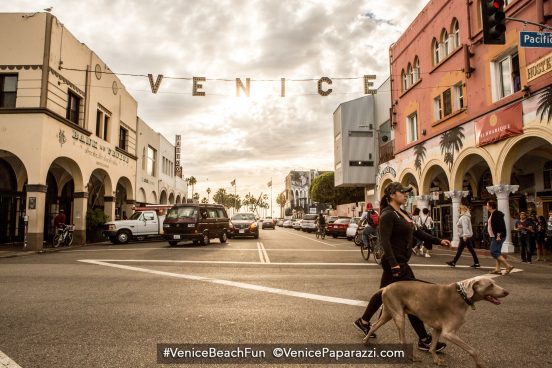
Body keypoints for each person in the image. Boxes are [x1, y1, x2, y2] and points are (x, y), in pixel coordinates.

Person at [353, 182, 451, 352]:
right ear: (392, 195)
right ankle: (424, 339)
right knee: (410, 298)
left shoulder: (403, 213)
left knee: (382, 293)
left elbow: (418, 232)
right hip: (395, 263)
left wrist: (438, 241)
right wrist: (394, 264)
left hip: (401, 262)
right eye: (402, 192)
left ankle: (363, 321)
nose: (406, 195)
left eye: (406, 193)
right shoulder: (387, 215)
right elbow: (384, 241)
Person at [487, 200, 515, 274]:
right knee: (497, 252)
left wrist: (498, 235)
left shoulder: (496, 214)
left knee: (493, 251)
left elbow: (499, 226)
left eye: (487, 205)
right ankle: (497, 269)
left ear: (490, 206)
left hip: (498, 236)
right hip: (495, 235)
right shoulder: (493, 214)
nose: (486, 206)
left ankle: (508, 265)